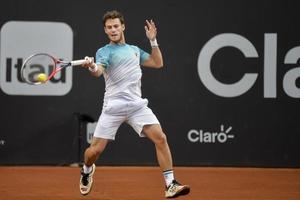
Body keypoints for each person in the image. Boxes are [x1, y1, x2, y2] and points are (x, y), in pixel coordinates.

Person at [79, 10, 190, 198]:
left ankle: (170, 184)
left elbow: (157, 62)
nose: (113, 30)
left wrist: (153, 41)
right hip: (113, 108)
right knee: (93, 152)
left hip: (136, 106)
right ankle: (87, 170)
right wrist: (91, 65)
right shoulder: (104, 52)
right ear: (105, 30)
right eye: (109, 27)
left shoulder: (134, 50)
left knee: (160, 138)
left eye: (116, 26)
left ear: (123, 27)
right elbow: (98, 71)